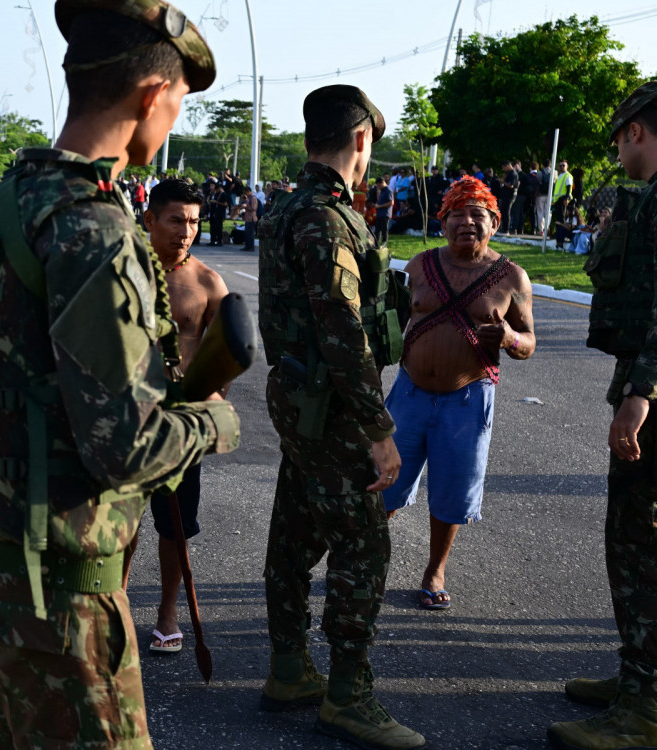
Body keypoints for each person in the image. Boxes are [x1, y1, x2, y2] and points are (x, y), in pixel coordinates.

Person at [0, 3, 238, 747]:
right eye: (176, 103)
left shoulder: (3, 205)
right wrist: (216, 420)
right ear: (149, 95)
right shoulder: (94, 230)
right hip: (65, 602)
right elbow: (126, 449)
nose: (171, 120)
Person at [257, 85, 424, 749]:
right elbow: (341, 330)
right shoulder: (326, 219)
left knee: (295, 526)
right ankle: (348, 694)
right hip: (330, 406)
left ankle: (289, 666)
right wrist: (380, 433)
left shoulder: (290, 207)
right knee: (363, 542)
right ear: (361, 140)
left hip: (301, 400)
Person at [549, 80, 657, 750]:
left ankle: (643, 707)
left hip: (654, 395)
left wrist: (640, 393)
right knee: (635, 543)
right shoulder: (644, 203)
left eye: (619, 137)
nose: (617, 151)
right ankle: (638, 676)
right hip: (646, 382)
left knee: (640, 547)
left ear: (637, 132)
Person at [382, 176, 535, 611]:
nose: (467, 222)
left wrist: (509, 338)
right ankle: (368, 563)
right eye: (457, 214)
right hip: (409, 395)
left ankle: (435, 570)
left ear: (494, 223)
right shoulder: (419, 266)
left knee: (451, 494)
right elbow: (388, 324)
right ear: (442, 221)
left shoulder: (511, 278)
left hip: (468, 400)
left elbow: (529, 343)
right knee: (384, 484)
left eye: (477, 215)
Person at [137, 178, 230, 654]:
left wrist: (207, 407)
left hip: (179, 425)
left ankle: (167, 611)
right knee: (118, 526)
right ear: (150, 219)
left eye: (193, 221)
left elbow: (223, 360)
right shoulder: (121, 273)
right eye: (176, 220)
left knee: (175, 527)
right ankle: (109, 601)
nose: (186, 231)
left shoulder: (208, 283)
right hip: (124, 423)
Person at [372, 177, 392, 247]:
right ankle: (376, 244)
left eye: (379, 185)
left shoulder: (388, 190)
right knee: (377, 230)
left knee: (384, 230)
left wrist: (379, 206)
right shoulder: (382, 191)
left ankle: (384, 243)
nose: (378, 187)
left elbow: (391, 202)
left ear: (382, 183)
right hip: (380, 214)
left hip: (385, 213)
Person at [242, 185, 259, 251]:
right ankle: (247, 246)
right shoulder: (248, 198)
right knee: (247, 233)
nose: (245, 194)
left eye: (245, 192)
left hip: (252, 218)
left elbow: (254, 208)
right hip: (247, 218)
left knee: (251, 234)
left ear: (249, 191)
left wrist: (246, 206)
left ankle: (251, 247)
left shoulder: (253, 198)